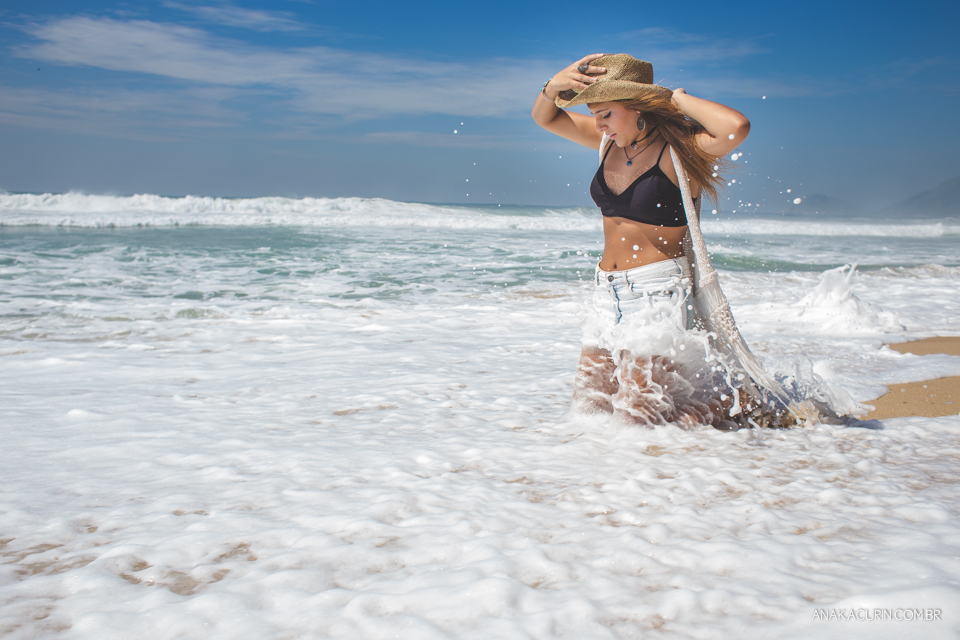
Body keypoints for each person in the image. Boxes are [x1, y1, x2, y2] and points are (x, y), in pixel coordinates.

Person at [532, 53, 756, 429]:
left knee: (636, 422)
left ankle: (736, 404)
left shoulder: (679, 151)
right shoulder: (609, 145)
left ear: (636, 107)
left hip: (657, 293)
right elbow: (546, 116)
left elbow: (735, 128)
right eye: (595, 113)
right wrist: (552, 87)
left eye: (606, 113)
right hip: (607, 292)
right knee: (588, 411)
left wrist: (675, 100)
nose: (599, 124)